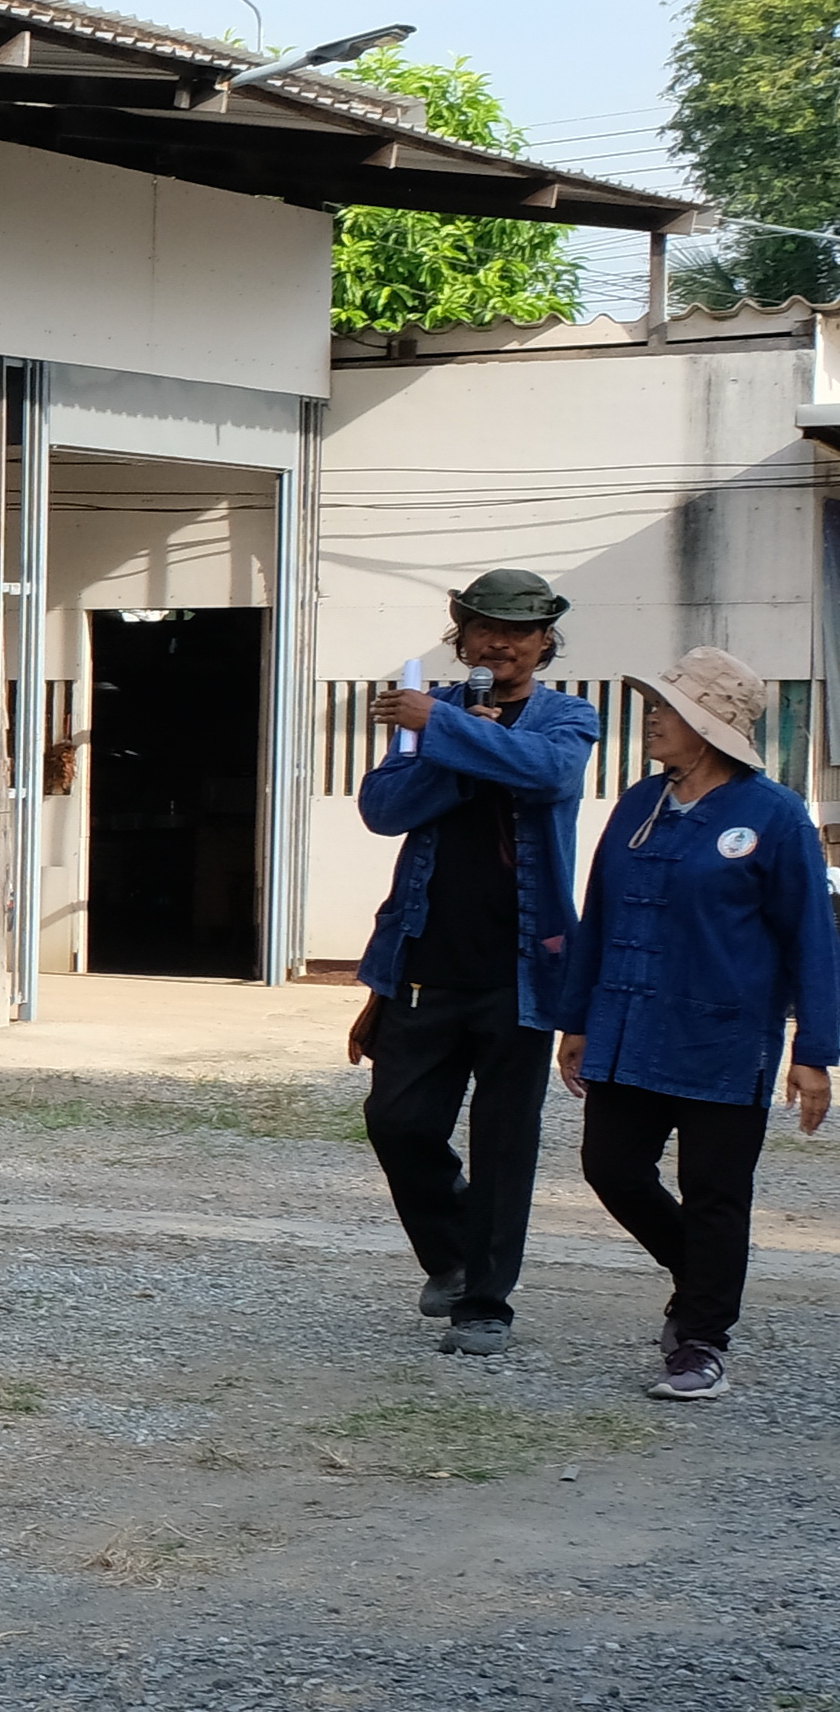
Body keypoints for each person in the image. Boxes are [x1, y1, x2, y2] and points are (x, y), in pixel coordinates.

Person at [556, 647, 839, 1401]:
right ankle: (704, 1272)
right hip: (627, 1025)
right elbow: (601, 915)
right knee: (611, 1168)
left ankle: (702, 1338)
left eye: (668, 709)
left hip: (723, 1036)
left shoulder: (772, 816)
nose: (652, 717)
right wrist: (576, 1019)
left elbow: (812, 934)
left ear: (710, 728)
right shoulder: (639, 804)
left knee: (716, 1190)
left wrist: (814, 1049)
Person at [350, 569, 598, 1357]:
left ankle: (486, 1304)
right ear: (461, 635)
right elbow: (383, 809)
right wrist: (449, 742)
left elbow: (549, 773)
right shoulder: (432, 714)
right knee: (396, 1120)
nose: (501, 643)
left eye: (520, 631)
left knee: (504, 1141)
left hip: (522, 971)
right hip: (424, 961)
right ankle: (455, 1255)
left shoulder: (569, 716)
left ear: (545, 641)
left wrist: (449, 734)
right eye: (486, 628)